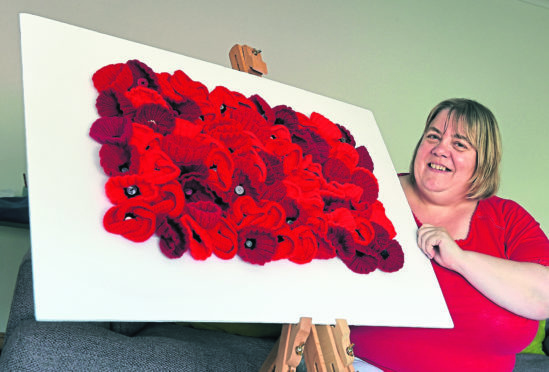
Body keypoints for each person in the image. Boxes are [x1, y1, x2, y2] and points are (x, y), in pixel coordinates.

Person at [350, 98, 549, 372]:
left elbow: (544, 296)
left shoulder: (509, 218)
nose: (440, 149)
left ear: (484, 160)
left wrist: (460, 259)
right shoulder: (373, 195)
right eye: (433, 136)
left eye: (459, 144)